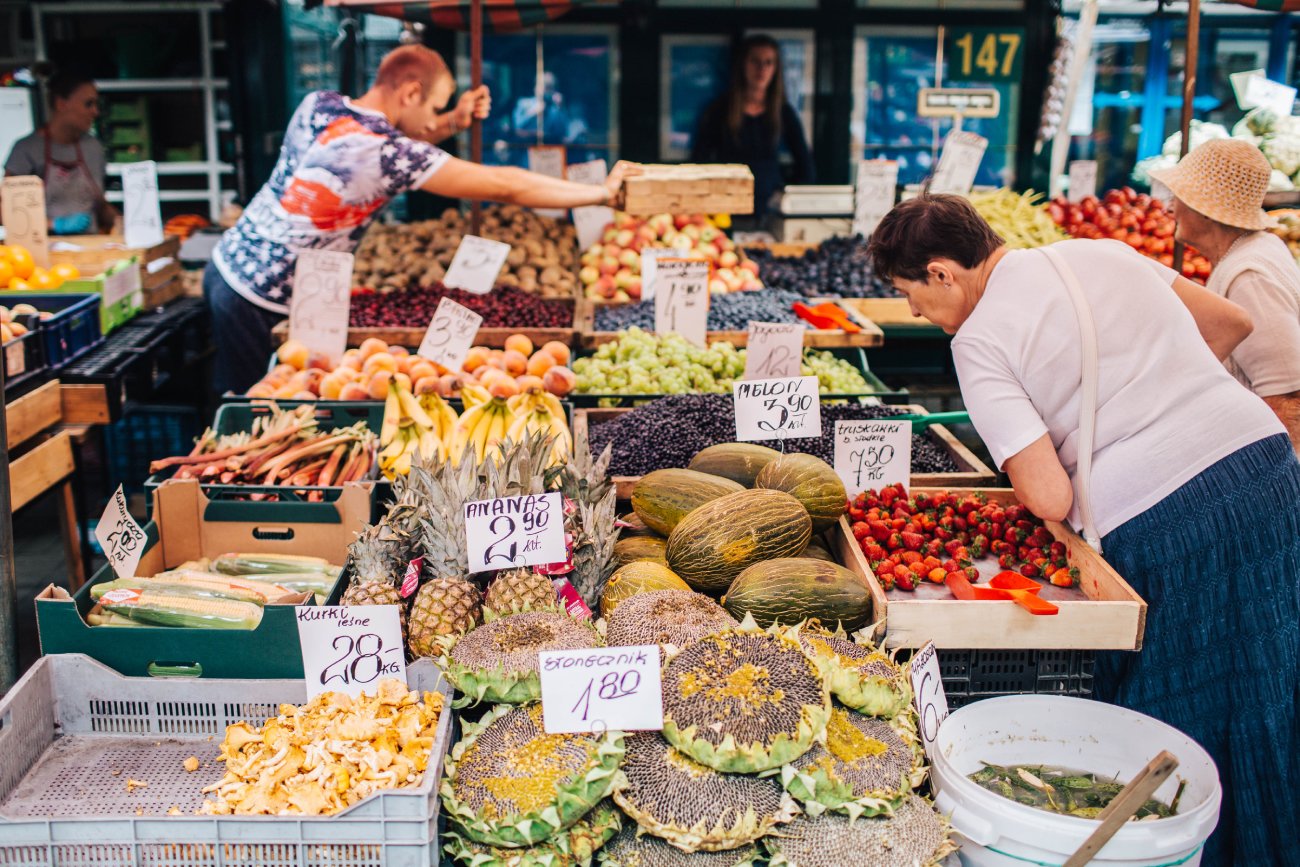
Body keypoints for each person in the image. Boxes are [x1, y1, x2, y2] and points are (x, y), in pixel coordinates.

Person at [868, 194, 1300, 866]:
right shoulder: (1101, 253)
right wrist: (1163, 393)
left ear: (943, 273)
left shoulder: (980, 341)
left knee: (1183, 709)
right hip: (1265, 465)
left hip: (1168, 522)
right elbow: (1229, 323)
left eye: (909, 294)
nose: (917, 313)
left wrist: (1111, 440)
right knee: (1271, 680)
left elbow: (1048, 494)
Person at [207, 44, 634, 394]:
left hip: (227, 262)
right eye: (434, 106)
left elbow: (394, 137)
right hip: (261, 297)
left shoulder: (319, 104)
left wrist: (452, 121)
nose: (432, 121)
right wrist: (602, 194)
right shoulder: (388, 154)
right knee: (254, 412)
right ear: (411, 93)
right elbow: (505, 185)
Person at [1152, 139, 1300, 452]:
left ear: (1205, 210)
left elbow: (1287, 401)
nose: (1169, 208)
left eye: (1178, 197)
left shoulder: (1250, 280)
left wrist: (1274, 479)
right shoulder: (1252, 251)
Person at [690, 35, 813, 220]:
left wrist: (786, 199)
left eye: (768, 62)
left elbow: (806, 167)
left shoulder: (783, 112)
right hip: (727, 208)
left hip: (770, 212)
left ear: (776, 68)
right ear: (743, 64)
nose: (761, 69)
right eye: (755, 61)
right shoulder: (719, 110)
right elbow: (699, 161)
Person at [3, 68, 117, 234]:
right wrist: (54, 225)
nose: (95, 112)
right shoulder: (26, 150)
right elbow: (6, 211)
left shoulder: (93, 148)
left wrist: (124, 221)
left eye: (96, 104)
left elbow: (101, 206)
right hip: (41, 246)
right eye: (88, 104)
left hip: (91, 245)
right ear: (61, 104)